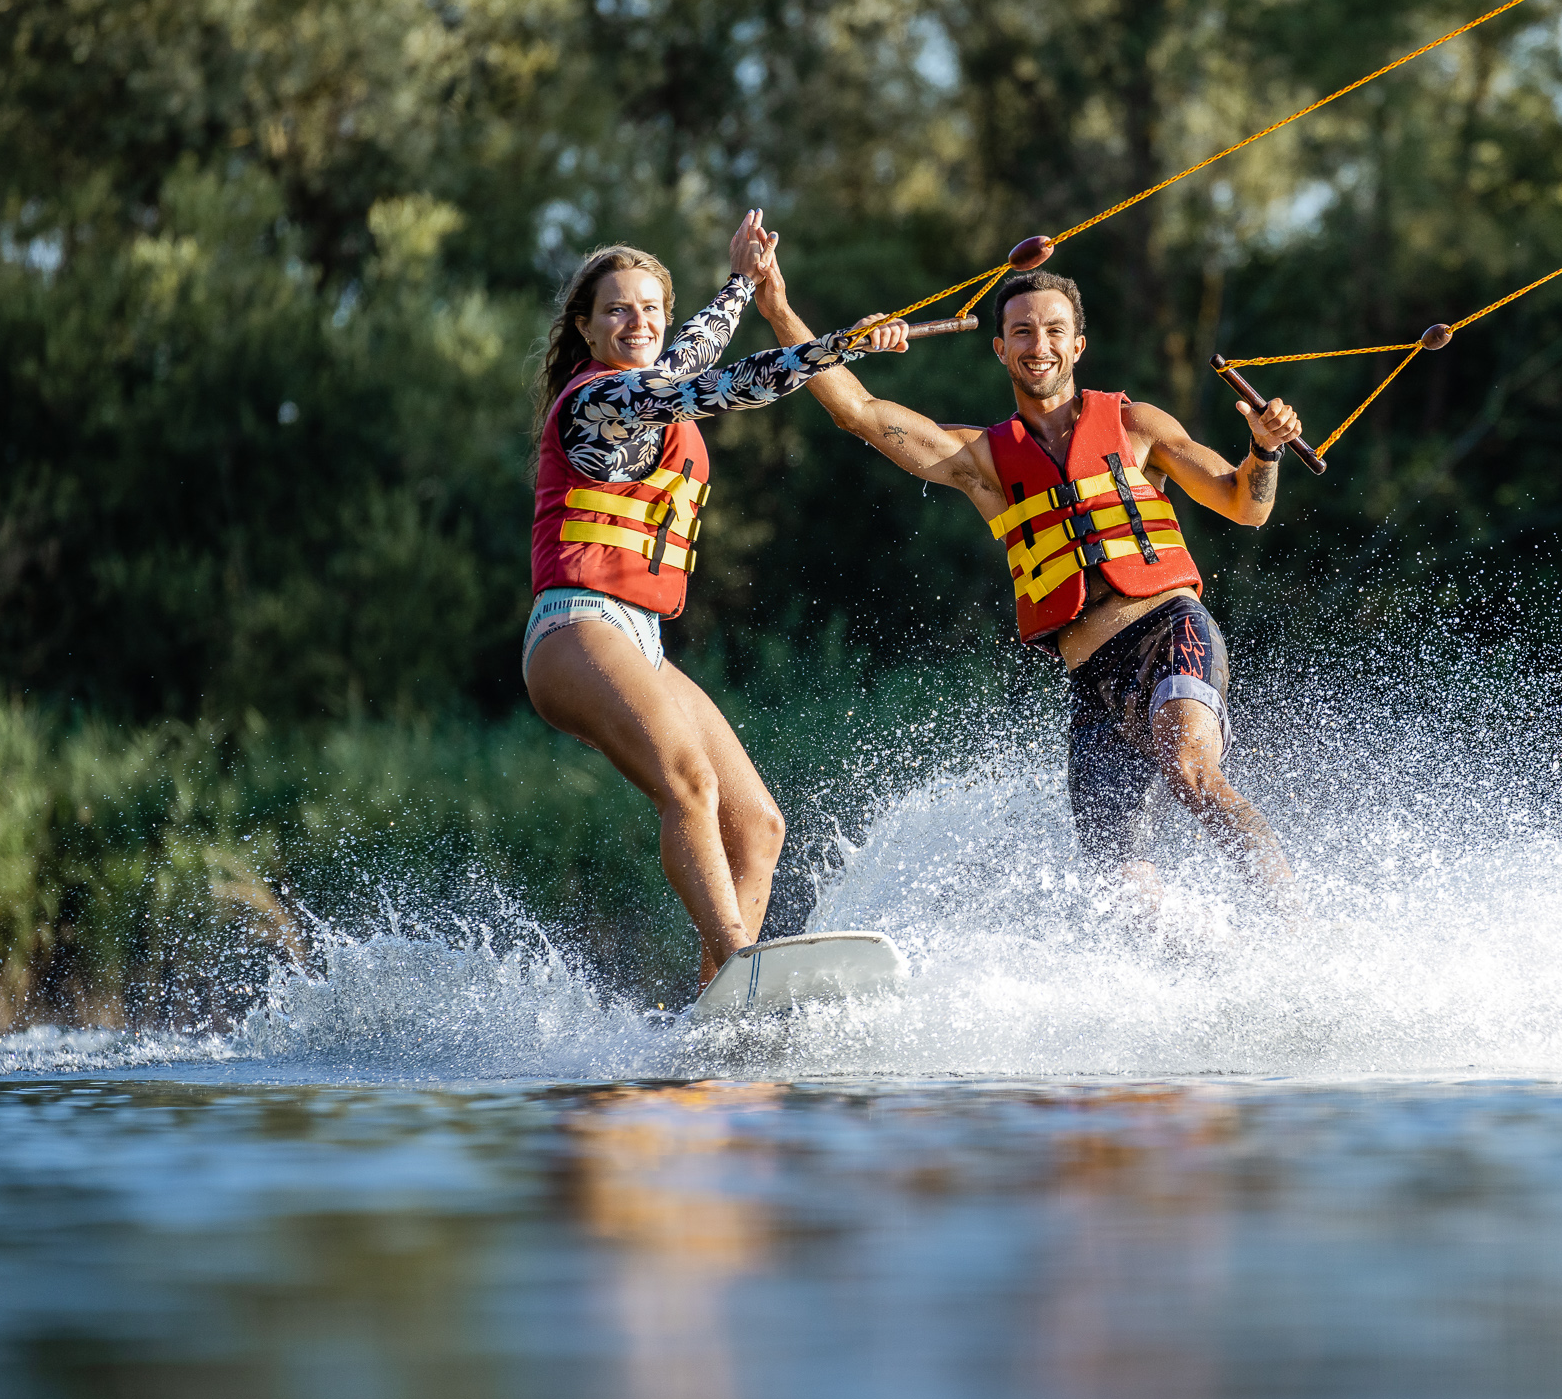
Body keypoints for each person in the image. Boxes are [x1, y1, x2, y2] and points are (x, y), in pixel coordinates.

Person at [755, 253, 1303, 899]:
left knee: (1190, 769)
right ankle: (1204, 985)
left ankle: (1291, 925)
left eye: (1052, 330)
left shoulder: (1137, 426)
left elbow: (1247, 504)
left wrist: (1264, 448)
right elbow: (860, 413)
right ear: (1000, 347)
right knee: (1121, 887)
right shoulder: (982, 459)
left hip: (1169, 630)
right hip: (1093, 680)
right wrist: (781, 312)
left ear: (1078, 343)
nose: (1038, 345)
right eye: (1022, 332)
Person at [522, 212, 908, 991]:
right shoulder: (592, 402)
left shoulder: (662, 388)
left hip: (641, 640)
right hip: (574, 627)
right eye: (619, 310)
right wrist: (833, 344)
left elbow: (690, 362)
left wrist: (746, 284)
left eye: (653, 309)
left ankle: (718, 1012)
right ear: (587, 329)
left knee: (758, 827)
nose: (640, 323)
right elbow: (712, 379)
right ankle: (740, 963)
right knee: (689, 780)